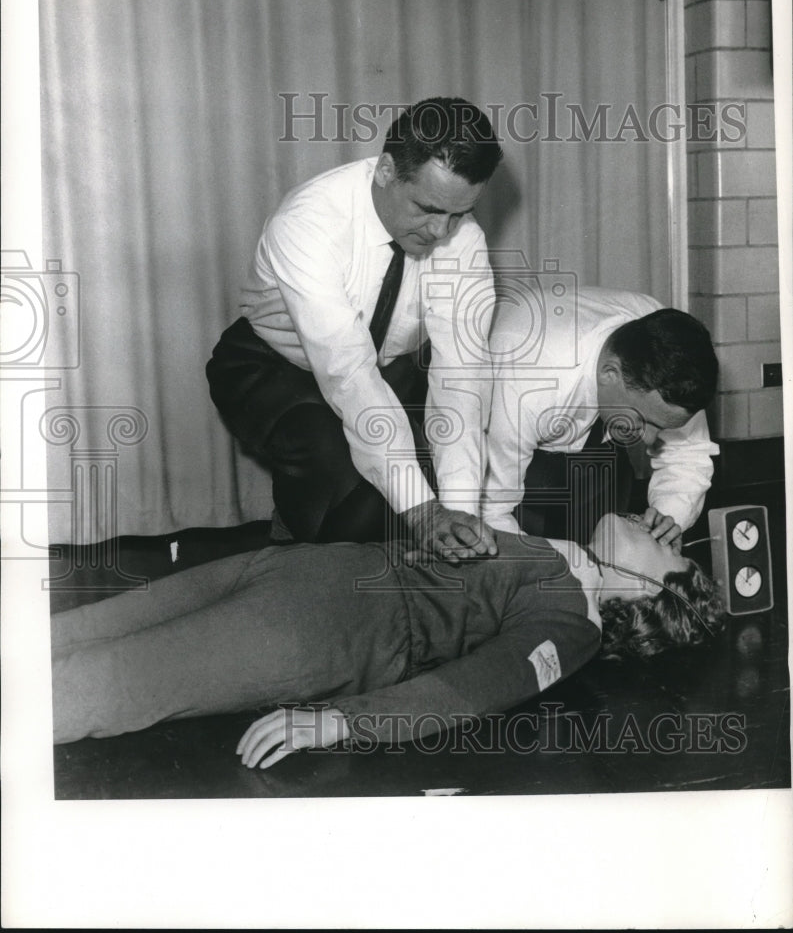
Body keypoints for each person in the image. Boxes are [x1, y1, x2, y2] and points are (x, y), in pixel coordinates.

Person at [51, 513, 723, 769]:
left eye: (666, 551)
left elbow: (471, 692)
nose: (655, 527)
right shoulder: (570, 556)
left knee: (95, 688)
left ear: (643, 592)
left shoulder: (572, 626)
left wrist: (339, 723)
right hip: (302, 567)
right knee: (70, 636)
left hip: (318, 633)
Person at [206, 97, 503, 561]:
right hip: (274, 364)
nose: (441, 232)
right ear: (386, 170)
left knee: (410, 485)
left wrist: (455, 516)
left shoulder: (463, 239)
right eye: (427, 208)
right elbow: (348, 373)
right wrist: (424, 514)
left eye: (458, 213)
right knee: (341, 477)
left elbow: (461, 376)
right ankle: (292, 549)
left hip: (385, 365)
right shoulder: (309, 222)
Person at [482, 286, 720, 553]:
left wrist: (667, 519)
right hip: (476, 412)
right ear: (610, 373)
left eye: (661, 427)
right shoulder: (530, 378)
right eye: (643, 421)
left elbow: (688, 455)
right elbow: (492, 512)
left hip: (582, 427)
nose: (651, 440)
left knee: (605, 549)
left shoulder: (667, 348)